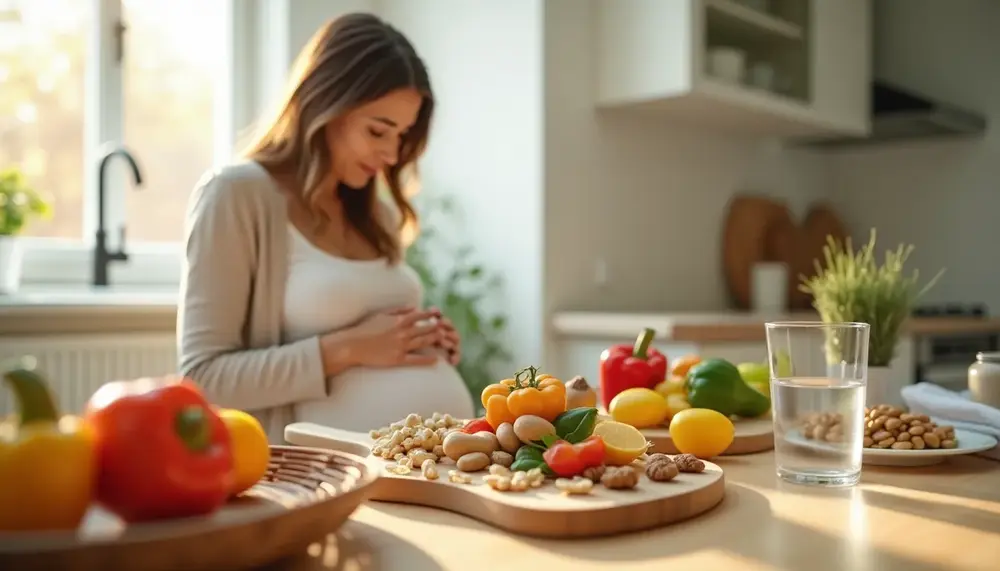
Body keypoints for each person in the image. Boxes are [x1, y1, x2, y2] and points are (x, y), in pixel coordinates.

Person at [177, 13, 476, 443]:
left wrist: (423, 339)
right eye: (378, 130)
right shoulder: (235, 195)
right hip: (317, 472)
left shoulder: (376, 216)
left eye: (402, 135)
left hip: (423, 463)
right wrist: (351, 347)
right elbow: (204, 378)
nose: (392, 154)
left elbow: (380, 341)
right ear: (325, 105)